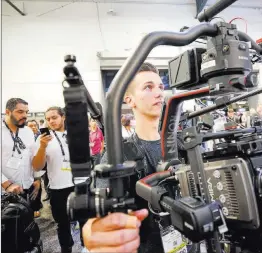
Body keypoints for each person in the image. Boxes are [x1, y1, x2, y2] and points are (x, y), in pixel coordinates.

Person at [86, 63, 167, 253]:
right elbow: (99, 217)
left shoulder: (180, 145)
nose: (159, 93)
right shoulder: (119, 155)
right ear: (129, 100)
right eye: (148, 87)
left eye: (161, 87)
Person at [32, 106, 87, 253]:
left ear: (63, 117)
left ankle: (86, 247)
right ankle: (66, 248)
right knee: (62, 224)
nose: (51, 121)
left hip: (80, 185)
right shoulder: (43, 139)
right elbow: (37, 166)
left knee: (84, 221)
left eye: (54, 117)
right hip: (58, 188)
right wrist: (43, 147)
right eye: (48, 119)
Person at [1, 98, 42, 217]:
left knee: (26, 224)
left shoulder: (28, 131)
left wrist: (37, 178)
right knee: (9, 230)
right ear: (8, 112)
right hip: (6, 193)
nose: (24, 116)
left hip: (27, 188)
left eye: (26, 112)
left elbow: (32, 156)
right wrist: (6, 184)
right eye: (20, 112)